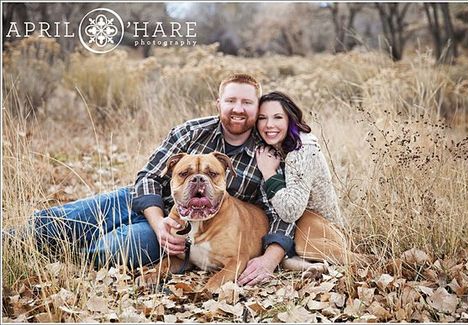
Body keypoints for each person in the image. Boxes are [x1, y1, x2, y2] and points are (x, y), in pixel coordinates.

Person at [33, 74, 295, 286]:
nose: (238, 109)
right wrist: (159, 224)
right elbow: (148, 176)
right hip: (149, 207)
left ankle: (62, 257)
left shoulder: (268, 154)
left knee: (109, 249)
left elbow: (282, 212)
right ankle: (15, 245)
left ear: (258, 106)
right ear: (219, 103)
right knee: (61, 220)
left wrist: (269, 260)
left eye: (247, 102)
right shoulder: (190, 131)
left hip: (187, 232)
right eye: (231, 101)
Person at [254, 91, 345, 230]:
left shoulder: (302, 151)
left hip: (323, 237)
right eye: (262, 118)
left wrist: (268, 172)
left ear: (290, 119)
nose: (269, 124)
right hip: (297, 232)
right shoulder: (275, 146)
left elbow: (290, 211)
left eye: (278, 117)